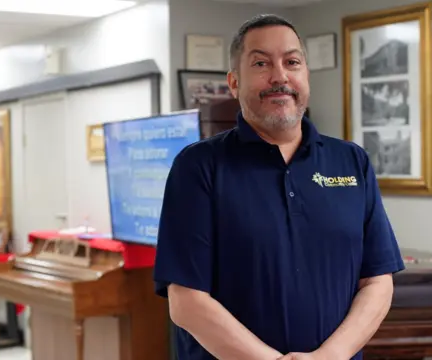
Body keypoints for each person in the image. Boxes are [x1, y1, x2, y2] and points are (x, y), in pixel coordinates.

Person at [153, 14, 405, 360]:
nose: (280, 76)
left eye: (292, 62)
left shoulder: (351, 162)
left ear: (305, 76)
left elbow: (377, 282)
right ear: (234, 82)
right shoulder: (198, 167)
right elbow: (186, 301)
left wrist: (329, 356)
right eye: (261, 63)